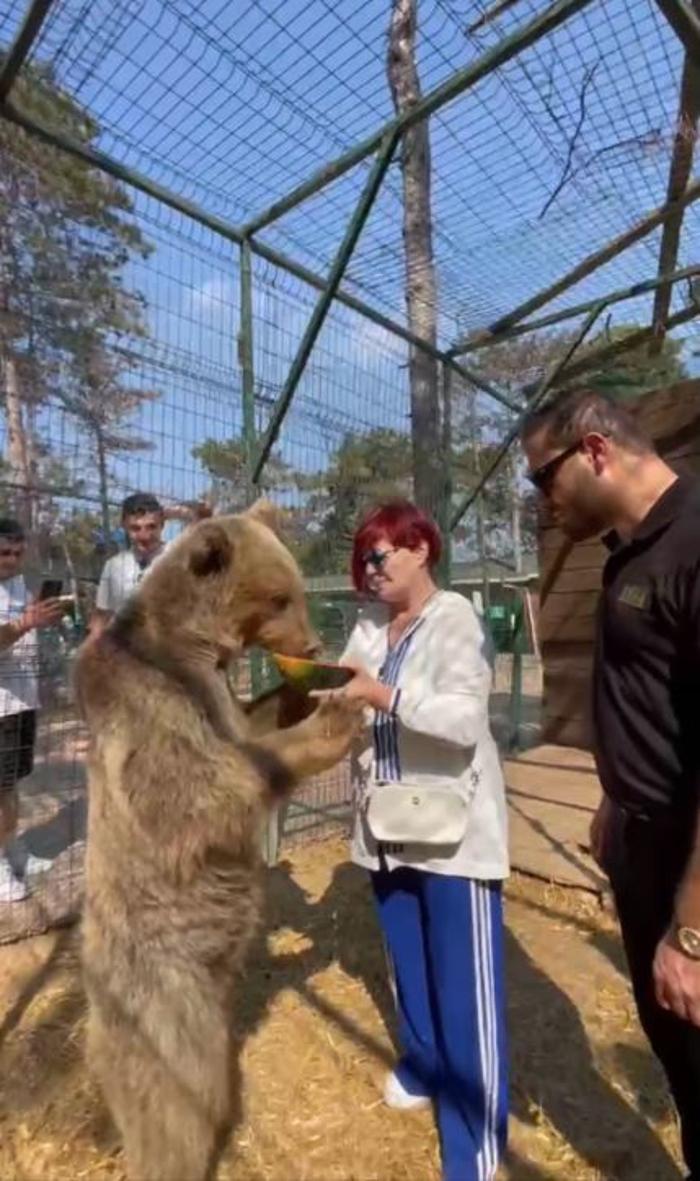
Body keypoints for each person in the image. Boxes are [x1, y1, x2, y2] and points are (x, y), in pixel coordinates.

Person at [521, 387, 700, 1181]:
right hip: (638, 837)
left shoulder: (695, 539)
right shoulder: (629, 547)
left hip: (687, 855)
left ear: (595, 450)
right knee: (679, 1055)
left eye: (542, 478)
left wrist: (693, 932)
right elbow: (649, 693)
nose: (541, 502)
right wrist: (610, 795)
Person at [330, 500, 509, 1181]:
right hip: (386, 826)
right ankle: (425, 1061)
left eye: (381, 555)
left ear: (421, 549)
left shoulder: (454, 617)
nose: (370, 570)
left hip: (452, 831)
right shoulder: (371, 626)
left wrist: (384, 696)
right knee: (408, 962)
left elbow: (464, 721)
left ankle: (475, 1139)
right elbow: (344, 689)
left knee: (464, 986)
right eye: (363, 560)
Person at [0, 518, 66, 902]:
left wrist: (42, 615)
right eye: (3, 553)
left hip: (22, 700)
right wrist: (28, 622)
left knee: (12, 784)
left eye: (17, 552)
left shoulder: (18, 584)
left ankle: (15, 850)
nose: (11, 559)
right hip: (0, 705)